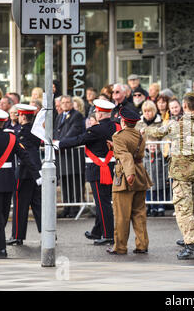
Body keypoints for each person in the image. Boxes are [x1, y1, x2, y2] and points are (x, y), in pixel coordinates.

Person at [144, 93, 194, 260]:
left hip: (181, 174)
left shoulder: (176, 125)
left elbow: (156, 132)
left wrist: (140, 128)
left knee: (183, 210)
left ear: (185, 107)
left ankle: (191, 245)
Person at [55, 100, 120, 245]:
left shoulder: (96, 129)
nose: (96, 114)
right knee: (103, 201)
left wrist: (58, 143)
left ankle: (108, 235)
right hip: (111, 167)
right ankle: (97, 231)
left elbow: (78, 140)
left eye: (97, 111)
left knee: (102, 203)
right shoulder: (116, 126)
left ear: (100, 113)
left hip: (97, 169)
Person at [0, 108, 41, 258]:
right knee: (3, 213)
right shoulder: (12, 138)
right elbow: (25, 156)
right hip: (9, 180)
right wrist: (36, 174)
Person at [107, 108, 153, 255]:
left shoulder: (118, 136)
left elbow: (126, 156)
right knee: (139, 213)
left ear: (122, 121)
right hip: (141, 174)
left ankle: (120, 247)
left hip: (126, 177)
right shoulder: (139, 135)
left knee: (122, 215)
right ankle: (142, 244)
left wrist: (129, 174)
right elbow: (133, 151)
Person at [6, 104, 42, 246]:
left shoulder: (22, 133)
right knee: (37, 203)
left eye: (19, 115)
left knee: (20, 204)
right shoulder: (34, 131)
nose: (18, 117)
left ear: (23, 116)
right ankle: (47, 232)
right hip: (35, 172)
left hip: (24, 172)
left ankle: (17, 235)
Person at [53, 95, 85, 219]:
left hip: (73, 155)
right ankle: (66, 207)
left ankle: (74, 208)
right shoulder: (59, 116)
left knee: (75, 182)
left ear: (72, 104)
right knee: (65, 182)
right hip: (62, 154)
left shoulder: (76, 115)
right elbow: (56, 131)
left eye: (67, 102)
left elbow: (73, 131)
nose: (65, 104)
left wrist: (60, 143)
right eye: (63, 102)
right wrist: (56, 141)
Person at [136, 101, 163, 217]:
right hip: (144, 156)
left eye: (150, 111)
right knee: (145, 181)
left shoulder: (160, 123)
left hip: (157, 155)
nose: (147, 113)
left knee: (159, 182)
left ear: (154, 111)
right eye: (145, 111)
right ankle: (149, 206)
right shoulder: (139, 123)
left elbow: (163, 137)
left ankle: (159, 206)